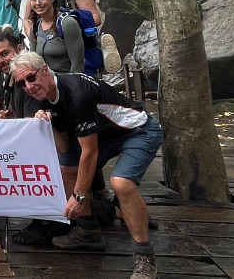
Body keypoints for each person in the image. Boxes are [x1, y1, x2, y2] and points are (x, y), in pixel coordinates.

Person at [11, 51, 163, 279]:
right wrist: (47, 123)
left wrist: (79, 196)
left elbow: (89, 153)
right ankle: (88, 230)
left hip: (138, 130)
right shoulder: (47, 94)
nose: (28, 86)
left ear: (44, 70)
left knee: (120, 183)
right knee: (66, 169)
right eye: (21, 83)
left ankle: (144, 257)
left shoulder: (77, 94)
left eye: (30, 78)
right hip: (104, 133)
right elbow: (64, 149)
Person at [28, 0, 86, 74]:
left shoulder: (67, 23)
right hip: (45, 84)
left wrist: (69, 86)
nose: (38, 3)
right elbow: (34, 63)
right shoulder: (35, 28)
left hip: (66, 83)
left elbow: (78, 65)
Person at [0, 29, 40, 119]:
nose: (0, 61)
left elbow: (31, 123)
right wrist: (10, 116)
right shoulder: (9, 79)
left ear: (20, 49)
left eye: (4, 54)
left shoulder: (30, 79)